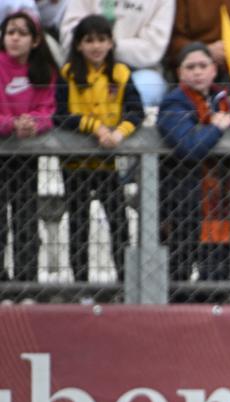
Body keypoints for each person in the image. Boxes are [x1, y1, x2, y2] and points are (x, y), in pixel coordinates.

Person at [55, 14, 143, 284]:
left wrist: (119, 133)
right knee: (79, 225)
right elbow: (60, 115)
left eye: (102, 40)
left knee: (118, 223)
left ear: (111, 43)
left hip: (107, 162)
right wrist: (94, 127)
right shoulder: (68, 74)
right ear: (79, 45)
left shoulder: (121, 73)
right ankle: (80, 286)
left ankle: (125, 283)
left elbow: (136, 112)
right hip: (75, 164)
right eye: (89, 40)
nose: (95, 46)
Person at [156, 42, 230, 287]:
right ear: (180, 72)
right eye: (190, 67)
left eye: (203, 65)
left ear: (214, 69)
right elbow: (189, 147)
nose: (197, 72)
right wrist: (216, 129)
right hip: (181, 203)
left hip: (219, 202)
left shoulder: (224, 101)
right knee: (178, 275)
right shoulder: (173, 103)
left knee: (217, 276)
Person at [0, 10, 57, 283]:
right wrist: (11, 125)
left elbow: (48, 110)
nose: (14, 38)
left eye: (22, 33)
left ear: (35, 40)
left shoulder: (44, 70)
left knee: (25, 218)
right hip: (2, 149)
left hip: (26, 156)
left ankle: (26, 283)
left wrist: (33, 123)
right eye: (10, 32)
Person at [60, 0, 175, 108]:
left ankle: (124, 125)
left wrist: (106, 46)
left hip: (137, 70)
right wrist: (100, 46)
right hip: (87, 66)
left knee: (149, 87)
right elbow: (71, 36)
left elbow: (152, 49)